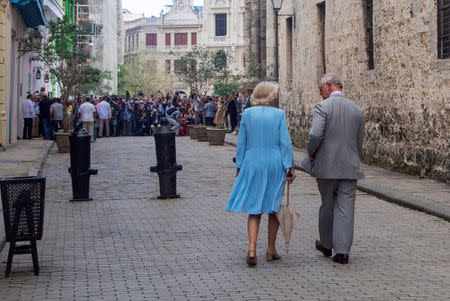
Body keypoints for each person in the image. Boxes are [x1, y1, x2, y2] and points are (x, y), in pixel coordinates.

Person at [226, 81, 296, 266]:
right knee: (273, 208)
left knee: (254, 209)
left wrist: (239, 167)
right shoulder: (279, 114)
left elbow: (241, 143)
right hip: (275, 163)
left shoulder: (248, 114)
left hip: (252, 162)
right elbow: (285, 143)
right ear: (271, 96)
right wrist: (289, 166)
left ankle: (251, 248)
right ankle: (271, 249)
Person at [301, 73, 365, 264]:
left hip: (327, 166)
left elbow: (315, 135)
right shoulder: (357, 110)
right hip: (350, 165)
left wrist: (311, 153)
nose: (320, 94)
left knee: (327, 203)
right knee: (346, 207)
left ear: (329, 86)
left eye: (321, 89)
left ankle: (327, 244)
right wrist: (354, 157)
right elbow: (359, 142)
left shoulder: (323, 107)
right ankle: (342, 251)